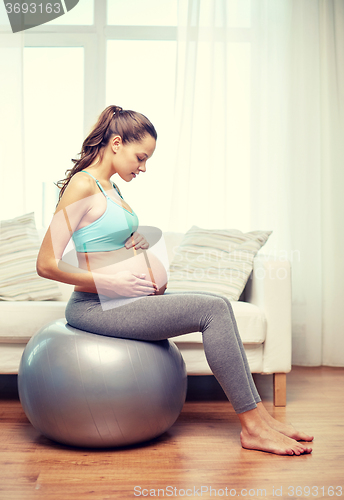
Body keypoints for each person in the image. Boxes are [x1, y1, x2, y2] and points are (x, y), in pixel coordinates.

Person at [37, 105, 313, 455]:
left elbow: (102, 243)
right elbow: (46, 263)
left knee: (220, 306)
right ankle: (253, 428)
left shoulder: (112, 188)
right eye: (141, 157)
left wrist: (135, 244)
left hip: (125, 300)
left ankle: (261, 417)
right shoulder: (82, 185)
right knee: (211, 310)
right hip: (96, 306)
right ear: (117, 143)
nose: (143, 167)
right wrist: (112, 284)